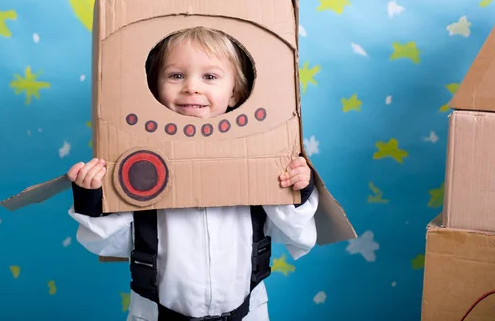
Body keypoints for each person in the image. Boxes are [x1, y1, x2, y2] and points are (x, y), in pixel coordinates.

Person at [67, 26, 319, 321]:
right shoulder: (138, 163)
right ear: (153, 89)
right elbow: (105, 243)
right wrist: (93, 199)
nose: (191, 87)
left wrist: (295, 188)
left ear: (236, 92)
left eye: (210, 76)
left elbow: (296, 234)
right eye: (176, 75)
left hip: (246, 313)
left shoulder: (260, 156)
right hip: (156, 314)